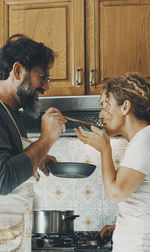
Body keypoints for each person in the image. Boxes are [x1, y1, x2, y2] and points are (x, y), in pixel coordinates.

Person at [0, 34, 66, 251]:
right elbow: (3, 178)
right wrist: (46, 140)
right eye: (43, 77)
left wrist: (37, 156)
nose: (46, 87)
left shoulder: (12, 114)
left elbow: (10, 161)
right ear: (18, 71)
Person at [74, 72, 150, 252]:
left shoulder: (144, 140)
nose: (101, 115)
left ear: (125, 107)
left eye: (105, 106)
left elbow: (116, 194)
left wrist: (105, 149)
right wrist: (122, 226)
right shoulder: (141, 140)